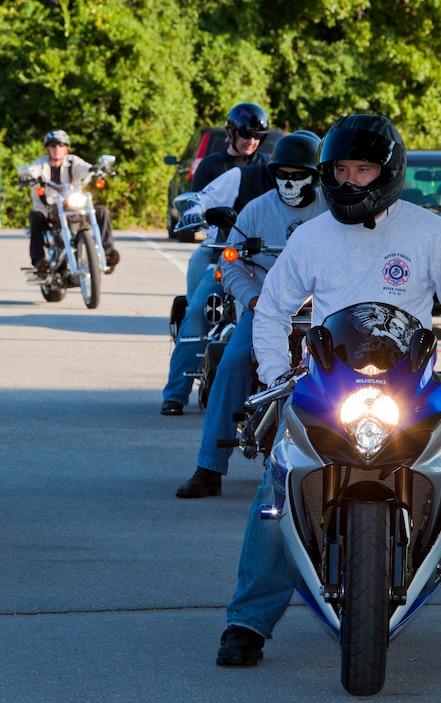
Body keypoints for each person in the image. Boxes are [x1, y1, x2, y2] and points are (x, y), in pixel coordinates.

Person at [216, 114, 441, 673]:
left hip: (411, 386)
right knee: (276, 489)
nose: (351, 179)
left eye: (363, 169)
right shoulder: (312, 236)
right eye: (341, 169)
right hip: (327, 383)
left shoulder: (427, 231)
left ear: (387, 171)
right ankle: (246, 622)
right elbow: (274, 308)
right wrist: (272, 373)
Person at [175, 131, 327, 497]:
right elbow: (231, 264)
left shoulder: (333, 211)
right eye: (282, 174)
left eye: (298, 174)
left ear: (316, 174)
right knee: (231, 365)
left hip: (322, 315)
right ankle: (209, 467)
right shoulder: (256, 210)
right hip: (265, 310)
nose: (289, 182)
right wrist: (255, 299)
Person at [160, 105, 277, 417]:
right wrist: (195, 212)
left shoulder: (268, 167)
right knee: (198, 311)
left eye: (257, 136)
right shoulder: (215, 165)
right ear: (231, 133)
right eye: (245, 134)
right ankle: (175, 393)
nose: (251, 140)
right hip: (217, 250)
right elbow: (198, 200)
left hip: (261, 259)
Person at [27, 129, 119, 276]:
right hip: (49, 207)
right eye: (53, 145)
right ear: (47, 148)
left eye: (61, 145)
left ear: (66, 148)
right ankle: (39, 261)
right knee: (35, 216)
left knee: (102, 211)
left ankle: (107, 254)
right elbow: (32, 171)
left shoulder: (72, 162)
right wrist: (28, 176)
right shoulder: (40, 164)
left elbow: (85, 168)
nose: (57, 148)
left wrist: (97, 170)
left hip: (72, 204)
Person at [191, 102, 272, 193]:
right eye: (245, 135)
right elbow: (196, 203)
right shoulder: (209, 165)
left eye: (257, 136)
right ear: (229, 132)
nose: (251, 142)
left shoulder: (267, 164)